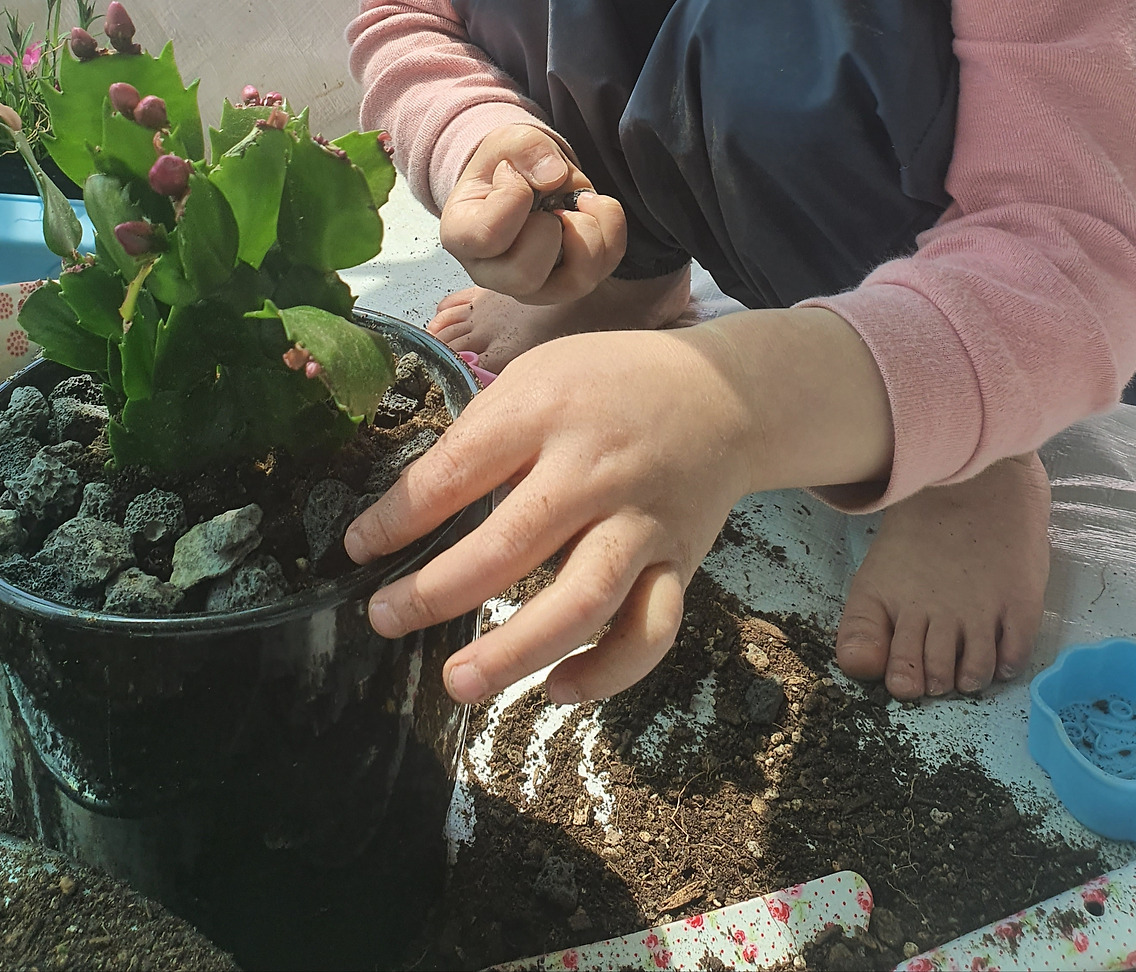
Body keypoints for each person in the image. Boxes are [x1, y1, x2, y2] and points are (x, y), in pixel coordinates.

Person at [343, 0, 1136, 706]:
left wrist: (740, 399)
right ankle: (629, 265)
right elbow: (409, 18)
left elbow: (1073, 241)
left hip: (953, 259)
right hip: (677, 173)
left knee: (775, 36)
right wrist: (483, 139)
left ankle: (964, 463)